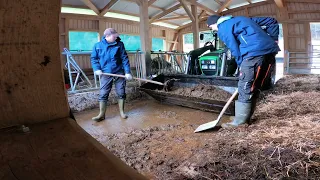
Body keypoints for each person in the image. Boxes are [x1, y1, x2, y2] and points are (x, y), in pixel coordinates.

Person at [206, 15, 280, 128]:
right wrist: (274, 39)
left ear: (214, 24)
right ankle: (245, 118)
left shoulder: (223, 28)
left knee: (245, 85)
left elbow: (234, 48)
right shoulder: (243, 19)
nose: (213, 30)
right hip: (270, 51)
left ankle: (239, 123)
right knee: (255, 85)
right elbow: (272, 20)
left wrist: (241, 65)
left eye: (211, 28)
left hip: (253, 54)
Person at [91, 28, 133, 122]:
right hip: (105, 72)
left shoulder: (119, 44)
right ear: (107, 36)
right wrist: (97, 69)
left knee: (121, 92)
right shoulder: (97, 46)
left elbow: (124, 58)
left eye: (116, 36)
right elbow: (94, 59)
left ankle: (122, 112)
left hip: (119, 72)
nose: (116, 38)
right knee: (103, 93)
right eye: (114, 36)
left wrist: (127, 72)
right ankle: (101, 114)